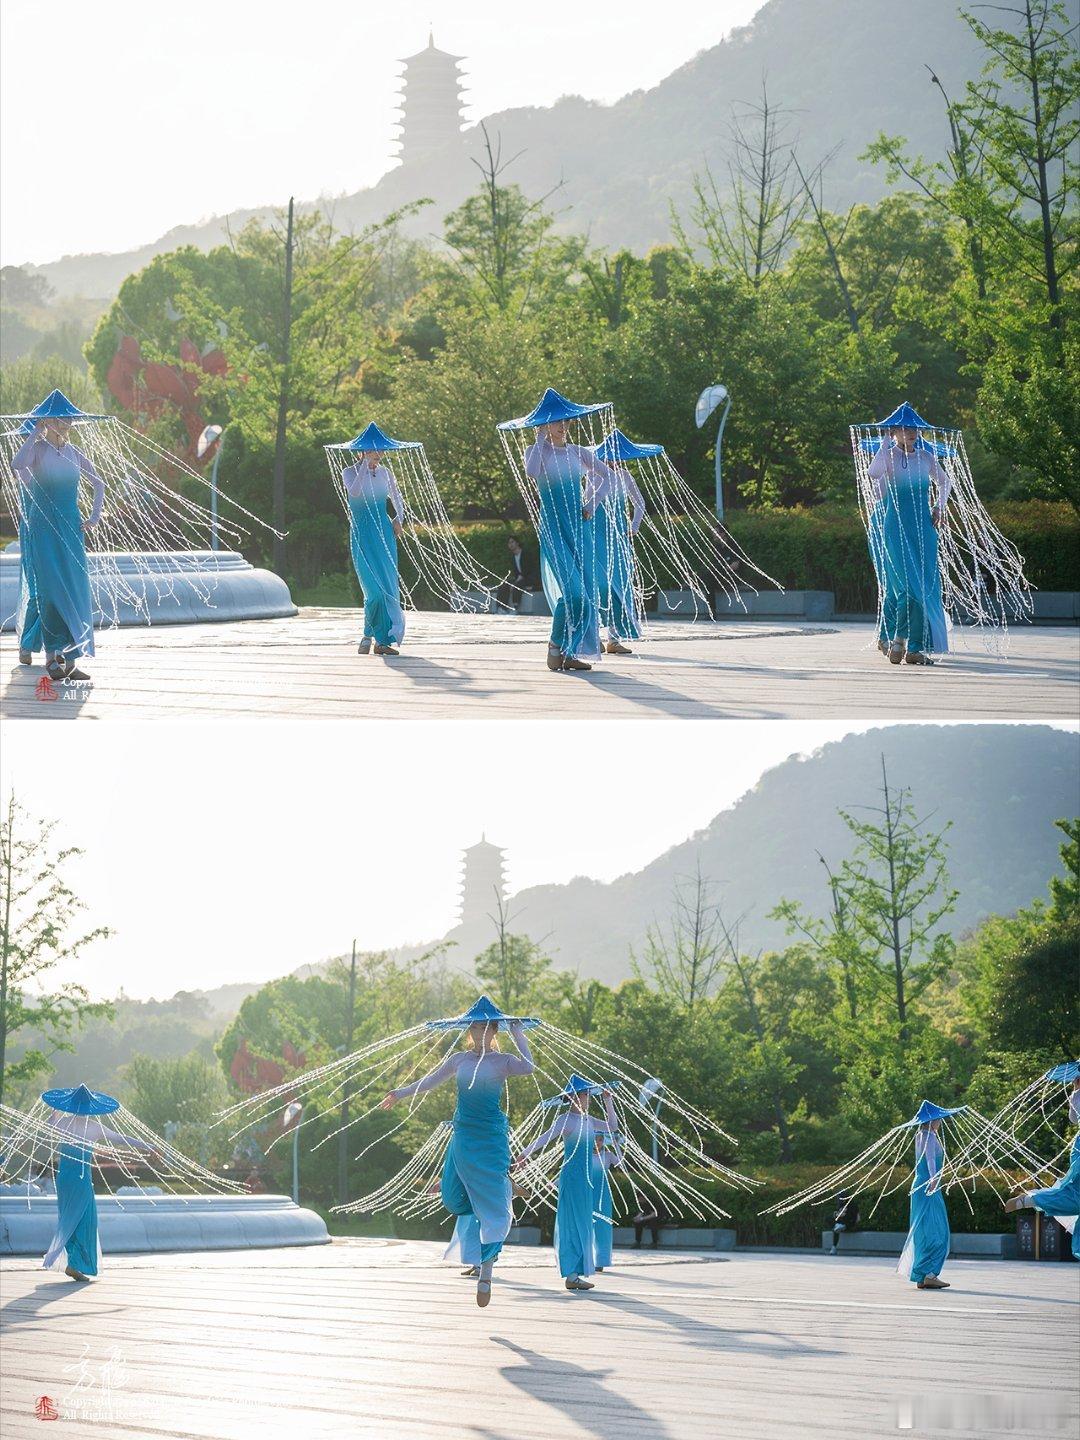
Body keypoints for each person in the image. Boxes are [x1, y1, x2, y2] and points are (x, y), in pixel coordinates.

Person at [379, 1018, 535, 1307]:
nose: (480, 1033)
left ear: (494, 1032)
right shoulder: (459, 1060)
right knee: (452, 1198)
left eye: (487, 1028)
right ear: (469, 1032)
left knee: (494, 1213)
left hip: (491, 1138)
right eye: (475, 1028)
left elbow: (529, 1067)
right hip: (464, 1134)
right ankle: (504, 1186)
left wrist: (518, 1033)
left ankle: (485, 1273)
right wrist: (399, 1093)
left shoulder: (503, 1060)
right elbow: (430, 1080)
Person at [12, 416, 105, 682]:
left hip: (71, 528)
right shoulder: (37, 451)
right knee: (50, 591)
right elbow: (16, 465)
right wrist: (34, 433)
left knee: (75, 589)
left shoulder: (75, 454)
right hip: (42, 529)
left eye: (68, 421)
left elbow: (99, 484)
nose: (66, 425)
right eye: (59, 420)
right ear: (47, 422)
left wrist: (94, 516)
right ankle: (52, 656)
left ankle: (73, 660)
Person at [524, 420, 617, 673]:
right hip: (553, 529)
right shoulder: (536, 451)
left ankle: (570, 652)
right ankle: (556, 645)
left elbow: (607, 476)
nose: (563, 426)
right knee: (574, 592)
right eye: (556, 423)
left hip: (579, 527)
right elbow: (532, 473)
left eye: (566, 422)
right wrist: (541, 438)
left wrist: (591, 504)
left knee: (587, 593)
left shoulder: (579, 452)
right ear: (544, 425)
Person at [513, 1076, 619, 1291]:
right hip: (572, 1177)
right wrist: (523, 1155)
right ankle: (571, 1274)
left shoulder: (588, 1120)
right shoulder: (564, 1120)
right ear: (572, 1097)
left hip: (586, 1179)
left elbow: (612, 1127)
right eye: (584, 1094)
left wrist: (608, 1101)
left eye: (589, 1095)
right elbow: (544, 1138)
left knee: (583, 1224)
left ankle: (576, 1275)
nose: (588, 1098)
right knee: (571, 1223)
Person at [39, 1087, 155, 1282]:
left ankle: (72, 1263)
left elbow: (46, 1128)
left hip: (65, 1177)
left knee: (68, 1216)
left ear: (71, 1105)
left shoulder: (63, 1123)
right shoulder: (94, 1127)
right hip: (81, 1178)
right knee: (86, 1220)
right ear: (90, 1108)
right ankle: (74, 1264)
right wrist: (149, 1145)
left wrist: (55, 1111)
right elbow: (122, 1138)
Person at [865, 418, 951, 666]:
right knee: (905, 588)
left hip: (923, 529)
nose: (911, 432)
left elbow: (945, 482)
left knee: (923, 589)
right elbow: (873, 473)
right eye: (904, 429)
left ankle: (912, 647)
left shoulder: (925, 458)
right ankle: (898, 640)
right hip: (895, 528)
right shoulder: (888, 457)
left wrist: (939, 507)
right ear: (894, 432)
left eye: (914, 429)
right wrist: (885, 437)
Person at [1004, 1076, 1080, 1260]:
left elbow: (1073, 1119)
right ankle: (1033, 1199)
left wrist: (1076, 1091)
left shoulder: (1076, 1095)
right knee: (1076, 1195)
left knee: (1075, 1194)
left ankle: (1032, 1200)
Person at [341, 449, 406, 656]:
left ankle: (381, 642)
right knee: (373, 590)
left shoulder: (385, 473)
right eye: (373, 450)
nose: (379, 454)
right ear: (362, 451)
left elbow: (396, 495)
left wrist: (399, 519)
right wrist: (364, 466)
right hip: (362, 531)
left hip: (384, 531)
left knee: (387, 587)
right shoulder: (349, 472)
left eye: (381, 451)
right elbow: (355, 492)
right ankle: (367, 635)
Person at [589, 463, 644, 655]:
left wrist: (634, 526)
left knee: (620, 584)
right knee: (598, 585)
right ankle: (594, 636)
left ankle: (614, 639)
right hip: (596, 535)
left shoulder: (625, 476)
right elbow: (587, 501)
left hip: (618, 535)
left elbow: (640, 503)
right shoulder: (592, 474)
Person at [898, 1117, 951, 1289]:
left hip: (921, 1184)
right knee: (937, 1230)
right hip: (928, 1185)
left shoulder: (920, 1135)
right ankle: (929, 1274)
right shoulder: (928, 1136)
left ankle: (922, 1275)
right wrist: (934, 1180)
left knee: (923, 1230)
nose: (941, 1122)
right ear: (932, 1120)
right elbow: (929, 1159)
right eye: (939, 1119)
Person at [591, 1133, 622, 1271]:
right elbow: (568, 1170)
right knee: (585, 1226)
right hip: (586, 1193)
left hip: (602, 1195)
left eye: (600, 1140)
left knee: (602, 1227)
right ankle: (586, 1260)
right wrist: (554, 1183)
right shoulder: (583, 1155)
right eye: (595, 1139)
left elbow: (621, 1164)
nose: (597, 1142)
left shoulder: (608, 1156)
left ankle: (601, 1261)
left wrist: (616, 1145)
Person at [495, 536, 540, 612]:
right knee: (504, 584)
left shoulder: (525, 554)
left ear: (517, 543)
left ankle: (515, 608)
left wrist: (520, 577)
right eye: (509, 543)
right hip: (520, 578)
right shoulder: (513, 557)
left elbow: (530, 568)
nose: (510, 544)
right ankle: (501, 608)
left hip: (530, 578)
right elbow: (516, 572)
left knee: (517, 585)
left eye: (512, 542)